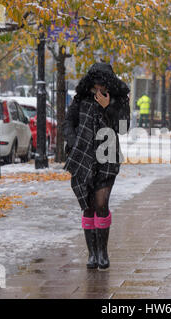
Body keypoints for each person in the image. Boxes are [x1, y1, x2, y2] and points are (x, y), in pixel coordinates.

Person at [63, 62, 130, 270]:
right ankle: (92, 253)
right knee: (88, 205)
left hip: (107, 156)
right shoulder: (81, 98)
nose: (99, 89)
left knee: (101, 203)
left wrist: (107, 107)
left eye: (103, 84)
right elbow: (68, 123)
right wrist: (74, 142)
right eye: (96, 84)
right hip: (84, 155)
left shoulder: (118, 99)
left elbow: (124, 127)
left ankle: (103, 252)